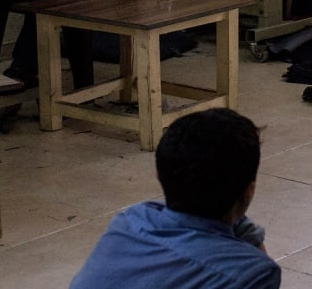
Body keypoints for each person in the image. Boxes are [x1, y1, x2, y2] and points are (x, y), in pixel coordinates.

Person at [69, 108, 280, 289]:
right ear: (249, 192)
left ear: (159, 175)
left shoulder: (130, 221)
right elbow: (253, 260)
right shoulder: (254, 273)